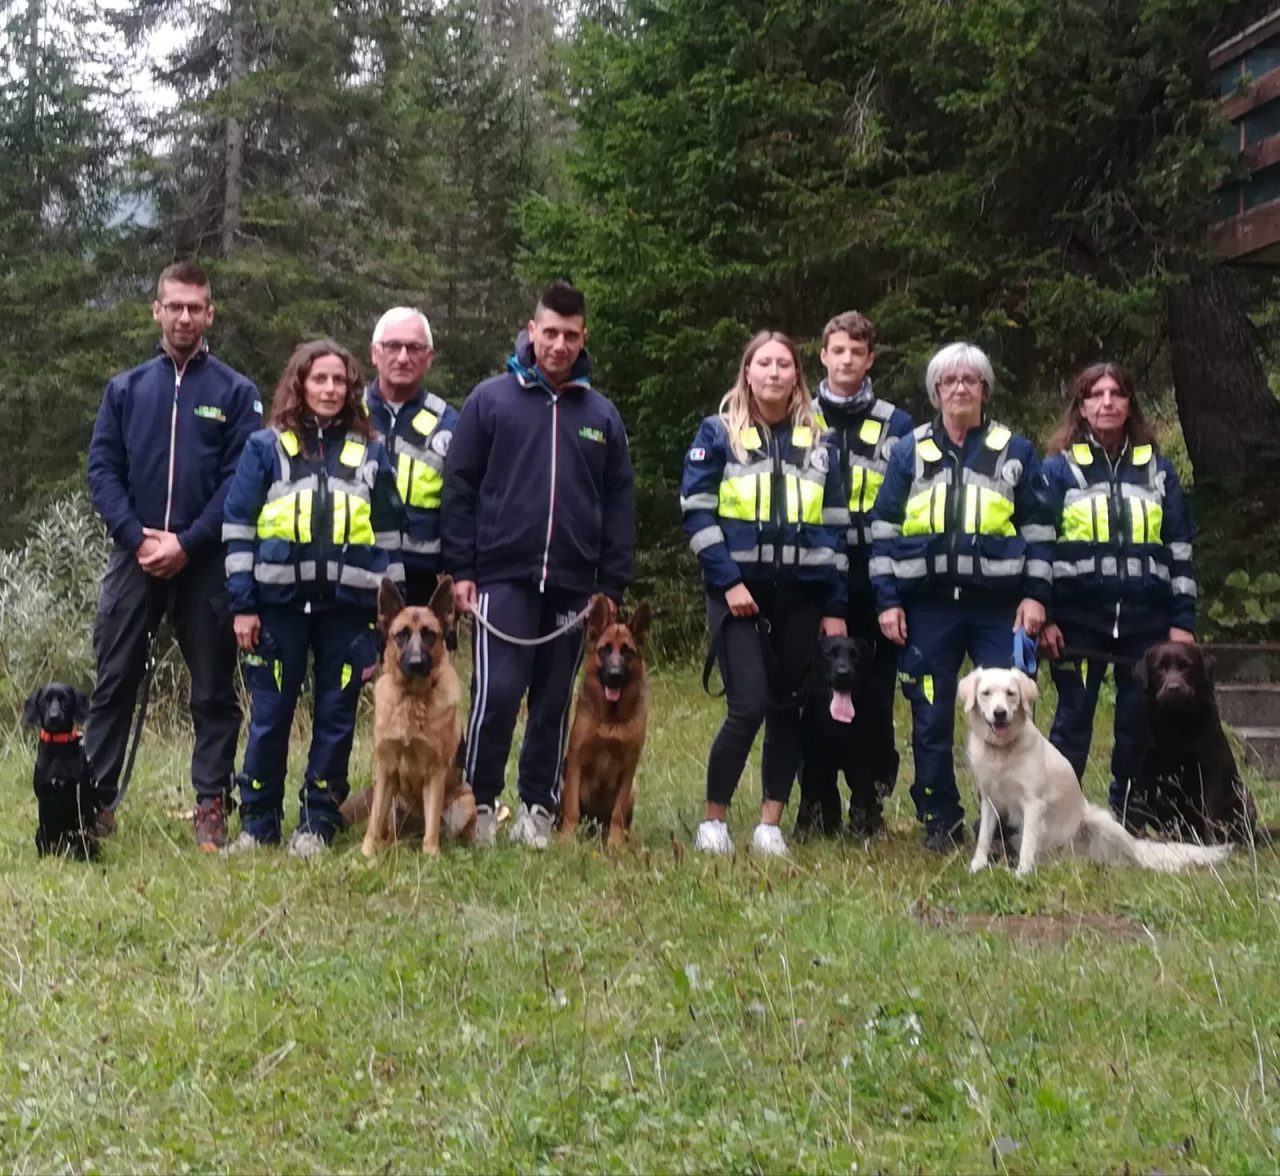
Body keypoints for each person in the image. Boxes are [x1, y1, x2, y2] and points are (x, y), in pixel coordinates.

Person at [441, 280, 635, 850]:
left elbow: (619, 502)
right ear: (532, 331)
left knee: (553, 701)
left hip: (575, 584)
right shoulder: (491, 400)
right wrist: (462, 570)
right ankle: (476, 802)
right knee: (498, 694)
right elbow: (460, 486)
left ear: (583, 338)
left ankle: (538, 806)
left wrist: (611, 583)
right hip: (502, 576)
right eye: (550, 333)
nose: (559, 345)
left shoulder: (601, 414)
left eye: (570, 335)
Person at [86, 262, 261, 851]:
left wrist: (187, 543)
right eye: (175, 306)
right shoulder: (126, 389)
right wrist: (137, 538)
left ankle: (211, 802)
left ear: (210, 314)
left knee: (212, 688)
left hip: (204, 562)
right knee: (114, 680)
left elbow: (240, 481)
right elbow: (102, 470)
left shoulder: (235, 393)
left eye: (196, 307)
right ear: (157, 311)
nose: (185, 317)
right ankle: (96, 800)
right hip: (134, 557)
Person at [221, 340, 404, 858]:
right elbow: (237, 529)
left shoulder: (370, 452)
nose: (329, 389)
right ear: (298, 384)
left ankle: (317, 823)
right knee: (271, 715)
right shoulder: (265, 448)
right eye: (319, 379)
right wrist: (243, 605)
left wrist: (392, 620)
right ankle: (258, 824)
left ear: (352, 388)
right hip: (278, 607)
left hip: (349, 611)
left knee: (336, 716)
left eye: (339, 380)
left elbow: (389, 537)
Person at [869, 342, 1053, 852]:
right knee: (930, 716)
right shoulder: (908, 451)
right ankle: (940, 820)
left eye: (970, 380)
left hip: (998, 606)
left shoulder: (1015, 450)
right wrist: (887, 600)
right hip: (927, 607)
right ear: (935, 391)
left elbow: (1040, 529)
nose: (959, 388)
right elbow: (883, 529)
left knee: (1009, 717)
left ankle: (1007, 826)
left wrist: (1036, 597)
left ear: (985, 389)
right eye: (949, 381)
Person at [680, 331, 850, 858]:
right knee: (747, 705)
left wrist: (835, 606)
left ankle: (769, 825)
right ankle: (714, 821)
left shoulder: (819, 441)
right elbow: (697, 513)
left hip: (801, 594)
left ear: (797, 375)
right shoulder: (718, 433)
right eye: (764, 364)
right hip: (738, 594)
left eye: (784, 364)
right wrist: (728, 581)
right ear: (747, 372)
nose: (774, 373)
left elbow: (836, 527)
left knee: (786, 709)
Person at [1038, 361, 1197, 824]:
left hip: (1146, 621)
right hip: (1076, 620)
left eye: (1117, 394)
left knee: (1137, 724)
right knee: (1072, 721)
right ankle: (1057, 819)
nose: (1107, 402)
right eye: (1097, 395)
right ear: (1082, 407)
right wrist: (1045, 615)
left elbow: (1180, 549)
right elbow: (1039, 546)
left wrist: (1182, 622)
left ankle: (1131, 816)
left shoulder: (1158, 471)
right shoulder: (1057, 470)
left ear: (1130, 405)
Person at [799, 310, 914, 836]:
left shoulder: (897, 423)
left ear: (871, 359)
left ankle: (869, 802)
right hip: (816, 570)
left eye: (857, 352)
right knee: (811, 692)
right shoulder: (800, 415)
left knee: (875, 693)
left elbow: (909, 498)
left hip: (876, 574)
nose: (846, 360)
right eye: (838, 350)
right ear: (823, 355)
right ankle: (816, 802)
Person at [364, 307, 459, 607]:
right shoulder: (348, 413)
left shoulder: (449, 423)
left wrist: (458, 571)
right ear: (375, 353)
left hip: (422, 576)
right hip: (353, 570)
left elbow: (461, 504)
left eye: (414, 348)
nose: (403, 357)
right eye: (393, 346)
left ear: (429, 358)